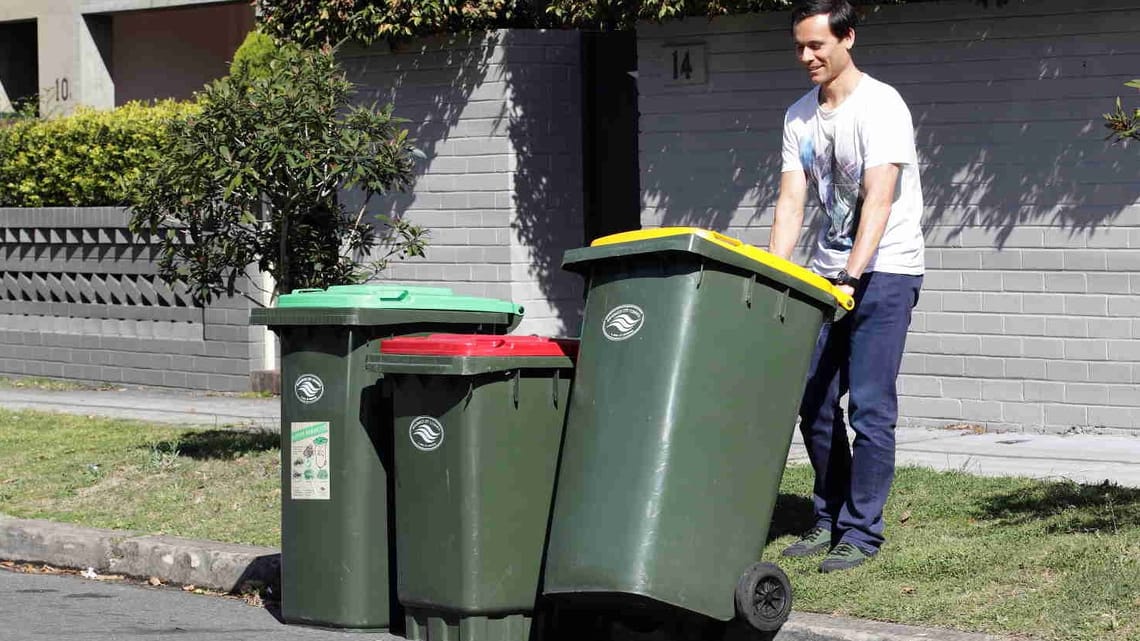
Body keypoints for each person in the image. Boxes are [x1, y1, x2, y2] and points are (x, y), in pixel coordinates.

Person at [769, 0, 924, 573]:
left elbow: (879, 199)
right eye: (800, 47)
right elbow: (791, 200)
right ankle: (829, 514)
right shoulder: (798, 117)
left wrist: (853, 276)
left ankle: (862, 532)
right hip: (826, 274)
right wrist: (775, 276)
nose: (807, 57)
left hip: (885, 270)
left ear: (847, 39)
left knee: (871, 407)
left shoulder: (882, 105)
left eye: (817, 46)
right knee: (812, 402)